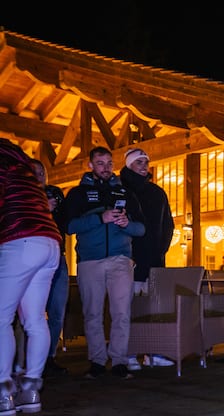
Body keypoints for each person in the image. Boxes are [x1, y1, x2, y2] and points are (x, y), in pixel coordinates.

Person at [66, 146, 145, 380]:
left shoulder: (125, 192)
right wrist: (99, 218)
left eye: (109, 163)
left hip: (120, 259)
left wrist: (125, 224)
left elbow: (141, 229)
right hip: (90, 261)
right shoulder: (78, 194)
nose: (106, 167)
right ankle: (98, 362)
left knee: (121, 312)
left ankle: (119, 361)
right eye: (100, 163)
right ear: (90, 165)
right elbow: (69, 227)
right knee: (92, 313)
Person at [0, 138, 62, 416]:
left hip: (20, 239)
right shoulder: (23, 165)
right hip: (49, 242)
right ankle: (31, 390)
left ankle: (3, 393)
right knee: (36, 319)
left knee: (1, 318)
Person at [120, 147, 175, 370]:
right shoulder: (121, 190)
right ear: (129, 165)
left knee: (155, 309)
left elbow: (168, 225)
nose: (144, 166)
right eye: (139, 162)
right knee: (130, 308)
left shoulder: (157, 192)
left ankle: (154, 352)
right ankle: (129, 353)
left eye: (146, 162)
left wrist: (161, 249)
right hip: (130, 259)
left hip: (155, 259)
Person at [28, 158, 69, 378]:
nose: (39, 175)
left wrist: (52, 208)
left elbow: (67, 223)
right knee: (31, 312)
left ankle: (49, 357)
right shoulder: (20, 196)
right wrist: (42, 207)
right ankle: (27, 360)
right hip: (31, 256)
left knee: (57, 311)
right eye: (34, 172)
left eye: (41, 172)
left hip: (57, 256)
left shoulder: (56, 193)